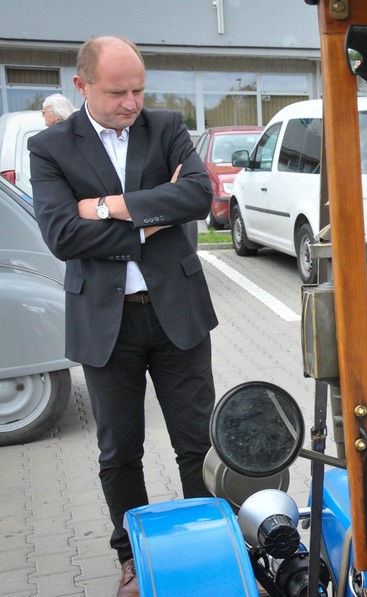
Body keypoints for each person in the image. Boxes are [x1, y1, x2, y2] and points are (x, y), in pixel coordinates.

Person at [28, 36, 217, 597]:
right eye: (117, 93)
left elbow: (198, 197)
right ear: (81, 85)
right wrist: (151, 219)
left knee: (199, 442)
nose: (132, 103)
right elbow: (62, 235)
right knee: (119, 450)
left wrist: (109, 208)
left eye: (138, 89)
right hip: (105, 322)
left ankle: (210, 543)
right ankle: (133, 556)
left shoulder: (167, 126)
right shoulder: (50, 146)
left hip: (176, 312)